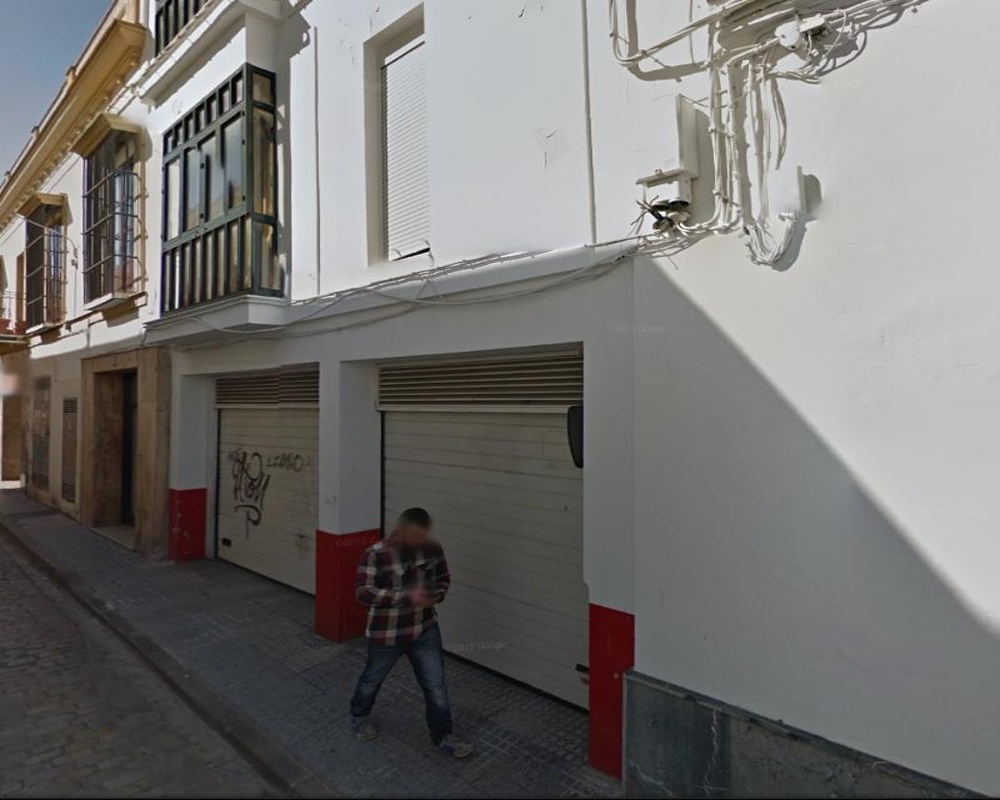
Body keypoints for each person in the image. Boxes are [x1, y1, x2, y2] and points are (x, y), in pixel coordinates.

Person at [350, 507, 472, 758]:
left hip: (424, 631)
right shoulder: (375, 554)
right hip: (386, 635)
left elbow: (443, 580)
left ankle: (443, 736)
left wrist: (435, 596)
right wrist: (403, 597)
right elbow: (363, 592)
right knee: (372, 680)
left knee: (435, 685)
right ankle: (359, 716)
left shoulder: (432, 549)